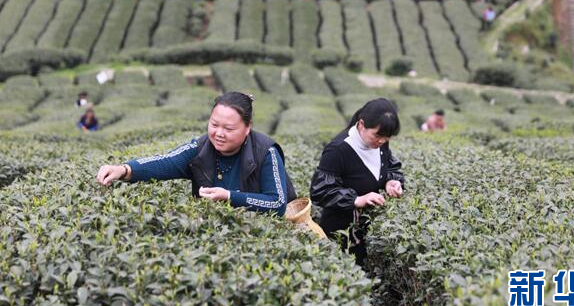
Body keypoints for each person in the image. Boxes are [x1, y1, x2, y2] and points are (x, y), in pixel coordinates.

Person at [96, 92, 296, 216]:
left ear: (247, 128)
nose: (218, 133)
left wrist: (229, 197)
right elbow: (166, 162)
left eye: (229, 128)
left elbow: (277, 203)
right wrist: (124, 169)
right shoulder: (200, 148)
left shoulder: (266, 152)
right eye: (214, 124)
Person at [310, 98, 404, 266]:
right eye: (378, 135)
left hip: (367, 229)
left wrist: (391, 182)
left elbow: (389, 166)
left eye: (387, 137)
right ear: (361, 124)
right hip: (340, 234)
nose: (382, 141)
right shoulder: (339, 149)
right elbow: (320, 191)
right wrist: (356, 200)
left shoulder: (380, 144)